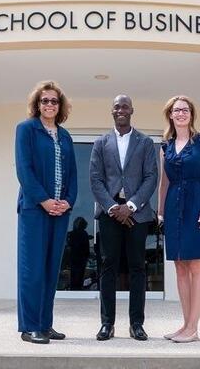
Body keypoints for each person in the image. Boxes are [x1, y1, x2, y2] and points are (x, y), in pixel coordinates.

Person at [90, 95, 158, 341]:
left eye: (125, 106)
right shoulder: (100, 142)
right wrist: (113, 207)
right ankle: (107, 324)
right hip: (109, 214)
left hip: (137, 214)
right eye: (117, 106)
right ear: (112, 111)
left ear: (132, 110)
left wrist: (130, 206)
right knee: (108, 267)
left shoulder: (146, 142)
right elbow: (95, 180)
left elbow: (151, 177)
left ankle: (136, 324)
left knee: (137, 268)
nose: (121, 110)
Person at [15, 80, 77, 344]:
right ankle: (29, 327)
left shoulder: (65, 135)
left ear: (60, 106)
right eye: (44, 101)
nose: (49, 105)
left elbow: (73, 175)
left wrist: (67, 202)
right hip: (34, 210)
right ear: (37, 105)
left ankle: (45, 324)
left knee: (51, 269)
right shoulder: (26, 129)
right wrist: (43, 200)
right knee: (32, 269)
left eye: (54, 101)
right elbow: (24, 170)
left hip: (59, 212)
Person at [157, 95, 200, 343]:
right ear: (170, 115)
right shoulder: (165, 147)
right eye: (176, 110)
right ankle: (185, 326)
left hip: (197, 204)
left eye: (185, 109)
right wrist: (160, 211)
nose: (181, 113)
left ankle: (193, 328)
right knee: (180, 266)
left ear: (191, 114)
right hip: (173, 207)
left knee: (196, 264)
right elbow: (164, 182)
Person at [67, 217, 91, 290]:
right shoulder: (84, 234)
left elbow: (69, 245)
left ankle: (74, 288)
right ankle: (78, 288)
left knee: (74, 275)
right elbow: (87, 248)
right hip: (81, 259)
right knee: (79, 275)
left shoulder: (71, 234)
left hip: (74, 258)